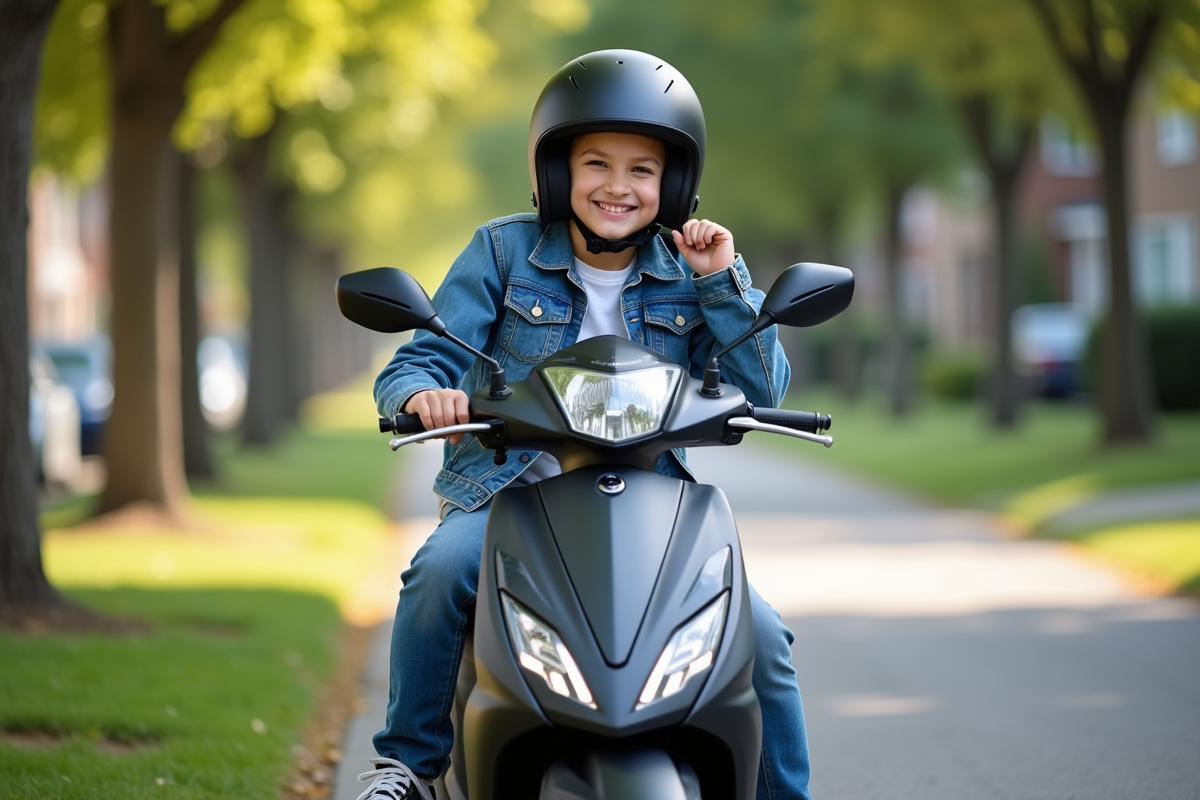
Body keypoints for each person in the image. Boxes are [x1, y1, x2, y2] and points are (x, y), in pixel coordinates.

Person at [357, 49, 811, 800]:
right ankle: (408, 762)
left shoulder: (690, 270)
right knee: (438, 573)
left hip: (652, 509)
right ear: (555, 172)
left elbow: (760, 384)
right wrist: (420, 399)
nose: (618, 186)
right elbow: (421, 361)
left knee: (759, 634)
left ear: (676, 186)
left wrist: (721, 283)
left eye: (642, 169)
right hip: (507, 500)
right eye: (596, 163)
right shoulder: (502, 253)